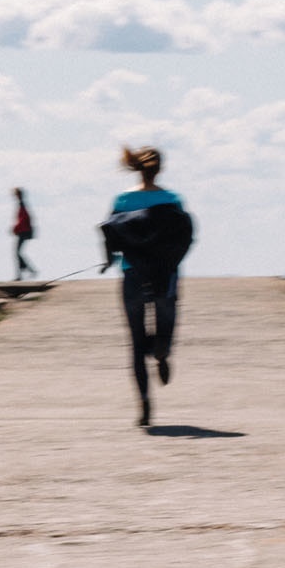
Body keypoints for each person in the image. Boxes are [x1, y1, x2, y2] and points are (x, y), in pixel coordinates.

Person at [98, 146, 194, 428]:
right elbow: (184, 237)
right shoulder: (172, 200)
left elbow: (110, 235)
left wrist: (108, 261)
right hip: (166, 275)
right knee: (166, 325)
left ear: (137, 168)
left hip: (133, 275)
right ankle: (162, 352)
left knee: (137, 342)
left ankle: (144, 402)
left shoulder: (123, 200)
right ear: (159, 169)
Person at [10, 187, 37, 281]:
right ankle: (25, 271)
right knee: (18, 253)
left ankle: (27, 271)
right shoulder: (22, 204)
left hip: (23, 232)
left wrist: (15, 228)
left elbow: (23, 218)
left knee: (17, 252)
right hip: (23, 231)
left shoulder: (22, 204)